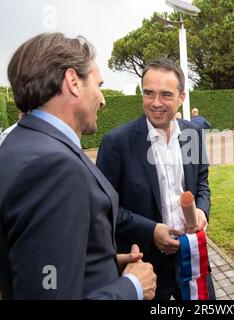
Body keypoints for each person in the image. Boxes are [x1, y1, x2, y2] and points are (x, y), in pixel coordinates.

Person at [0, 32, 156, 300]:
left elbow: (41, 269)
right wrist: (131, 287)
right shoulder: (53, 166)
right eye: (98, 84)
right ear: (73, 81)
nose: (103, 99)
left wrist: (102, 263)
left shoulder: (18, 144)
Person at [96, 58, 215, 300]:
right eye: (149, 93)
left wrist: (202, 211)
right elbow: (104, 209)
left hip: (190, 257)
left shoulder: (193, 133)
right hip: (144, 267)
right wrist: (151, 230)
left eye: (165, 95)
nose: (156, 103)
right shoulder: (116, 143)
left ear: (182, 97)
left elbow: (202, 183)